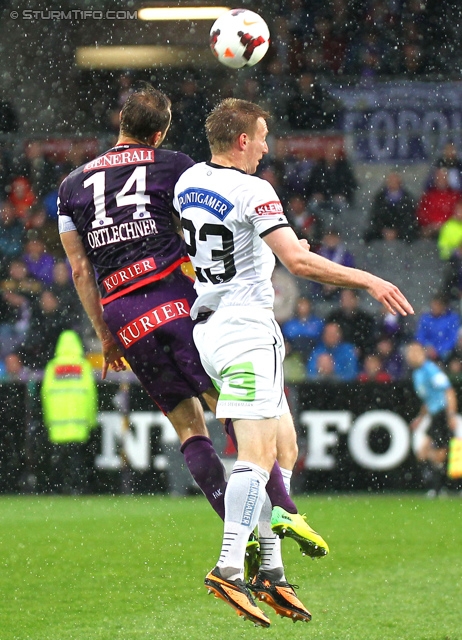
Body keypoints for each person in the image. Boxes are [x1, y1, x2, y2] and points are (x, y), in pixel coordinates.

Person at [57, 85, 319, 584]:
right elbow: (207, 219)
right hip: (179, 305)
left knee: (189, 430)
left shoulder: (70, 187)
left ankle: (235, 539)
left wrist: (105, 335)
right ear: (159, 132)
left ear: (120, 121)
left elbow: (79, 271)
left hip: (123, 316)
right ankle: (275, 531)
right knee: (248, 417)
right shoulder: (174, 165)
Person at [173, 98, 413, 626]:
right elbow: (298, 262)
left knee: (284, 447)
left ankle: (272, 570)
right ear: (241, 140)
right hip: (244, 330)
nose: (265, 146)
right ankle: (230, 566)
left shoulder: (189, 181)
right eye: (260, 136)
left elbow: (227, 242)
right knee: (256, 457)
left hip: (213, 324)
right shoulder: (255, 189)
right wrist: (370, 279)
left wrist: (263, 252)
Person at [41, 330, 98, 494]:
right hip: (78, 422)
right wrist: (91, 419)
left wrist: (48, 419)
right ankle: (77, 489)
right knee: (76, 460)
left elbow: (45, 395)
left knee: (58, 460)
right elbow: (90, 396)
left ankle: (56, 489)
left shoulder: (52, 367)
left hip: (57, 423)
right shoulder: (83, 366)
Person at [405, 342, 457, 497]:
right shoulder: (417, 374)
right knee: (424, 452)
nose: (411, 356)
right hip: (434, 415)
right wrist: (420, 418)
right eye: (409, 353)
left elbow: (448, 391)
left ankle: (439, 488)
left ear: (422, 353)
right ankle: (440, 487)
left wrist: (451, 415)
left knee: (438, 452)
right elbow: (428, 400)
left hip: (441, 414)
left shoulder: (430, 369)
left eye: (415, 352)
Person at [363, 172, 418, 244]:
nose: (392, 182)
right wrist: (384, 230)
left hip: (401, 230)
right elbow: (375, 216)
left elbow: (409, 217)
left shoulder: (407, 198)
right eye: (390, 180)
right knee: (368, 235)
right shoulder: (379, 197)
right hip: (382, 230)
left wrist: (397, 231)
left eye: (395, 180)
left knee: (411, 234)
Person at [326, 289, 376, 362]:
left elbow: (370, 341)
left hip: (362, 358)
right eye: (343, 298)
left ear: (356, 299)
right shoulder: (333, 317)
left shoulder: (366, 319)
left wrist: (361, 350)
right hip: (336, 354)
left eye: (349, 297)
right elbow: (327, 338)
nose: (346, 301)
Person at [416, 167, 460, 239]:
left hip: (450, 229)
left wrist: (444, 224)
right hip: (430, 229)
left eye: (443, 177)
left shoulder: (456, 196)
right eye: (439, 177)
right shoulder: (428, 196)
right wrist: (431, 225)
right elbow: (421, 214)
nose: (441, 180)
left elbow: (458, 213)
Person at [415, 294, 460, 363]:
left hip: (446, 353)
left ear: (444, 306)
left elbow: (452, 339)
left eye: (437, 305)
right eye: (433, 305)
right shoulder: (425, 318)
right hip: (427, 350)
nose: (435, 307)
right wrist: (427, 346)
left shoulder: (452, 318)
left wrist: (438, 350)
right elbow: (420, 335)